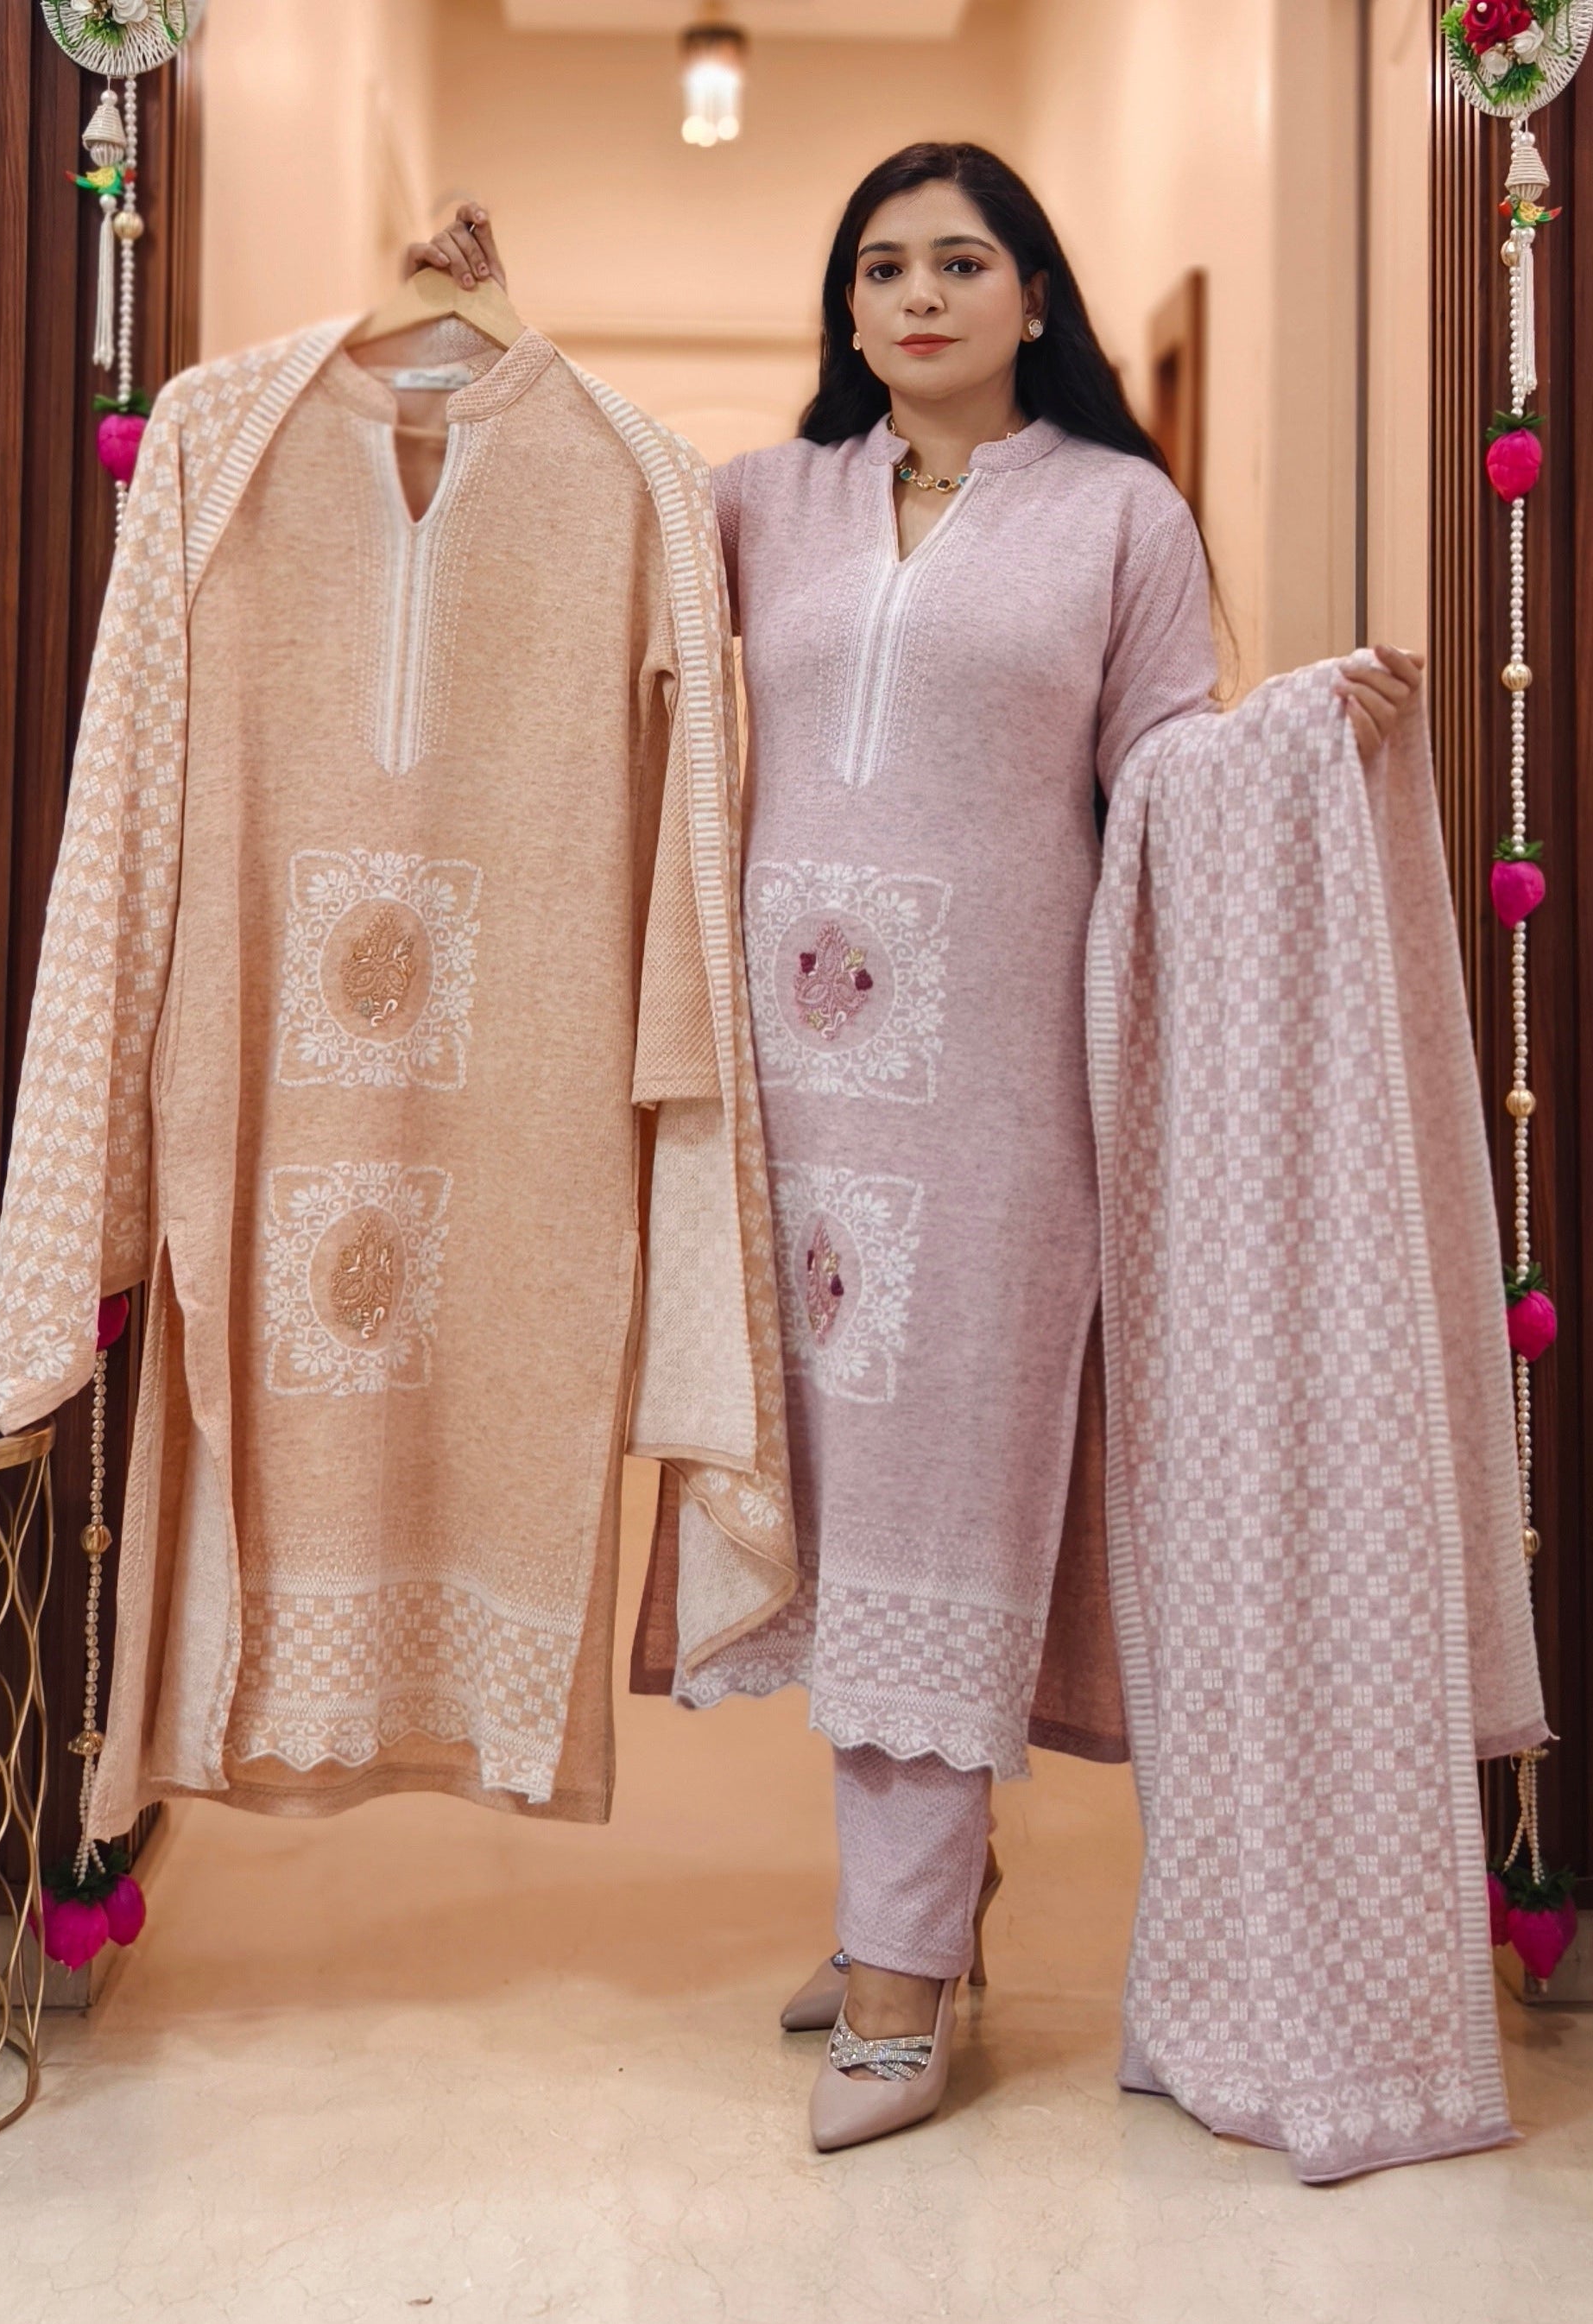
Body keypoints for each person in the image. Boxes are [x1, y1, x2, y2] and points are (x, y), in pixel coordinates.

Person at [408, 144, 1424, 2153]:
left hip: (994, 1108)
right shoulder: (761, 502)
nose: (922, 294)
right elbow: (576, 541)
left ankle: (899, 1979)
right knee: (831, 1499)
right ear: (848, 307)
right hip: (784, 1107)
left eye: (964, 260)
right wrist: (486, 342)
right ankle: (923, 1911)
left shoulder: (1121, 513)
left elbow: (1163, 770)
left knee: (942, 1507)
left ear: (1036, 295)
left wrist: (1301, 735)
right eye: (883, 266)